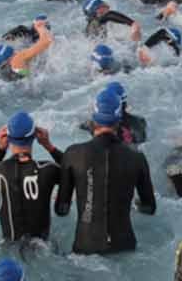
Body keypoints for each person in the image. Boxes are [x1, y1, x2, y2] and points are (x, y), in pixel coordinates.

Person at [55, 91, 157, 254]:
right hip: (124, 246)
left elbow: (61, 210)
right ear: (118, 120)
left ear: (94, 118)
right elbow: (149, 208)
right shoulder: (137, 157)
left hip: (85, 247)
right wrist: (130, 202)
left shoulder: (73, 154)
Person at [0, 110, 59, 243]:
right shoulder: (48, 170)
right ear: (35, 136)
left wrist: (0, 150)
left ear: (7, 138)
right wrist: (49, 146)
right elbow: (74, 171)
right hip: (43, 247)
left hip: (9, 247)